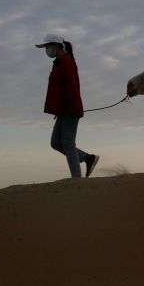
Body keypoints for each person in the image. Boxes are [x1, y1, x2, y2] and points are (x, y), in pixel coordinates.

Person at [36, 33, 99, 178]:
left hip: (70, 109)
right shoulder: (59, 62)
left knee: (67, 143)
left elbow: (73, 86)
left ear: (56, 46)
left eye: (47, 46)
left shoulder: (66, 62)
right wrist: (58, 109)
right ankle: (88, 158)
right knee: (55, 143)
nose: (46, 50)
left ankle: (76, 180)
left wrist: (75, 108)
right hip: (62, 110)